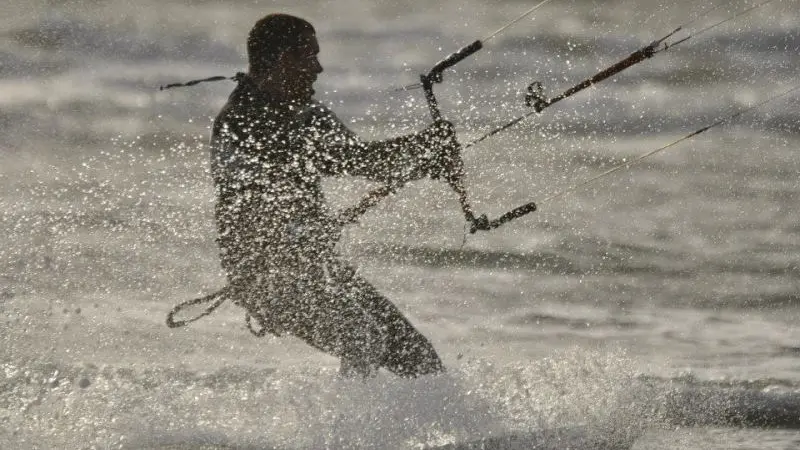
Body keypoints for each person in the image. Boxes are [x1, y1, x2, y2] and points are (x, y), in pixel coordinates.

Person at [210, 13, 461, 378]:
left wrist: (428, 161)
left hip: (315, 269)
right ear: (285, 60)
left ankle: (445, 429)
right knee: (362, 337)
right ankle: (347, 432)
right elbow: (346, 159)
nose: (319, 68)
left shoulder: (306, 113)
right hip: (266, 278)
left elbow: (367, 161)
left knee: (418, 355)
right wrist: (423, 146)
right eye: (309, 56)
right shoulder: (246, 119)